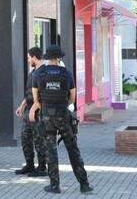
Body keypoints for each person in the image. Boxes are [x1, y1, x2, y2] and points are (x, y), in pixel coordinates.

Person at [30, 45, 93, 194]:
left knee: (51, 151)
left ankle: (54, 186)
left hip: (47, 117)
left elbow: (35, 99)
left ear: (46, 57)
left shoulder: (38, 74)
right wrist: (63, 105)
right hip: (63, 116)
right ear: (59, 58)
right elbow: (72, 98)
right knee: (73, 150)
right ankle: (84, 185)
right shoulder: (67, 74)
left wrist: (44, 106)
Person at [15, 47, 47, 177]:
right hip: (29, 109)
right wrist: (22, 106)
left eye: (29, 58)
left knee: (39, 140)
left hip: (38, 111)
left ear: (34, 57)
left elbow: (42, 95)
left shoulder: (43, 72)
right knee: (25, 138)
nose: (28, 60)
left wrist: (34, 109)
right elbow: (29, 92)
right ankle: (29, 165)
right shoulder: (33, 72)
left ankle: (42, 167)